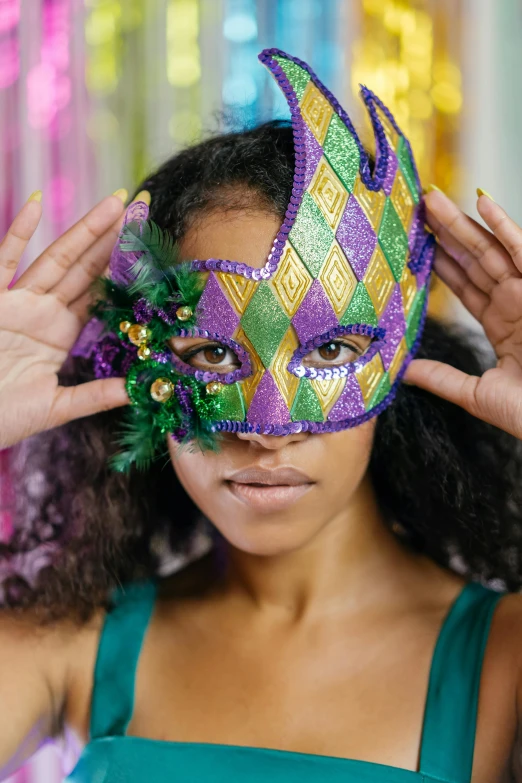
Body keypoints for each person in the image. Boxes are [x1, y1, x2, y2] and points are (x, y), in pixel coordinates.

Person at [1, 48, 522, 783]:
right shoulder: (69, 643)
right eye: (212, 355)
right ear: (138, 359)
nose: (265, 426)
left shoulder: (506, 656)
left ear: (398, 352)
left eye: (331, 348)